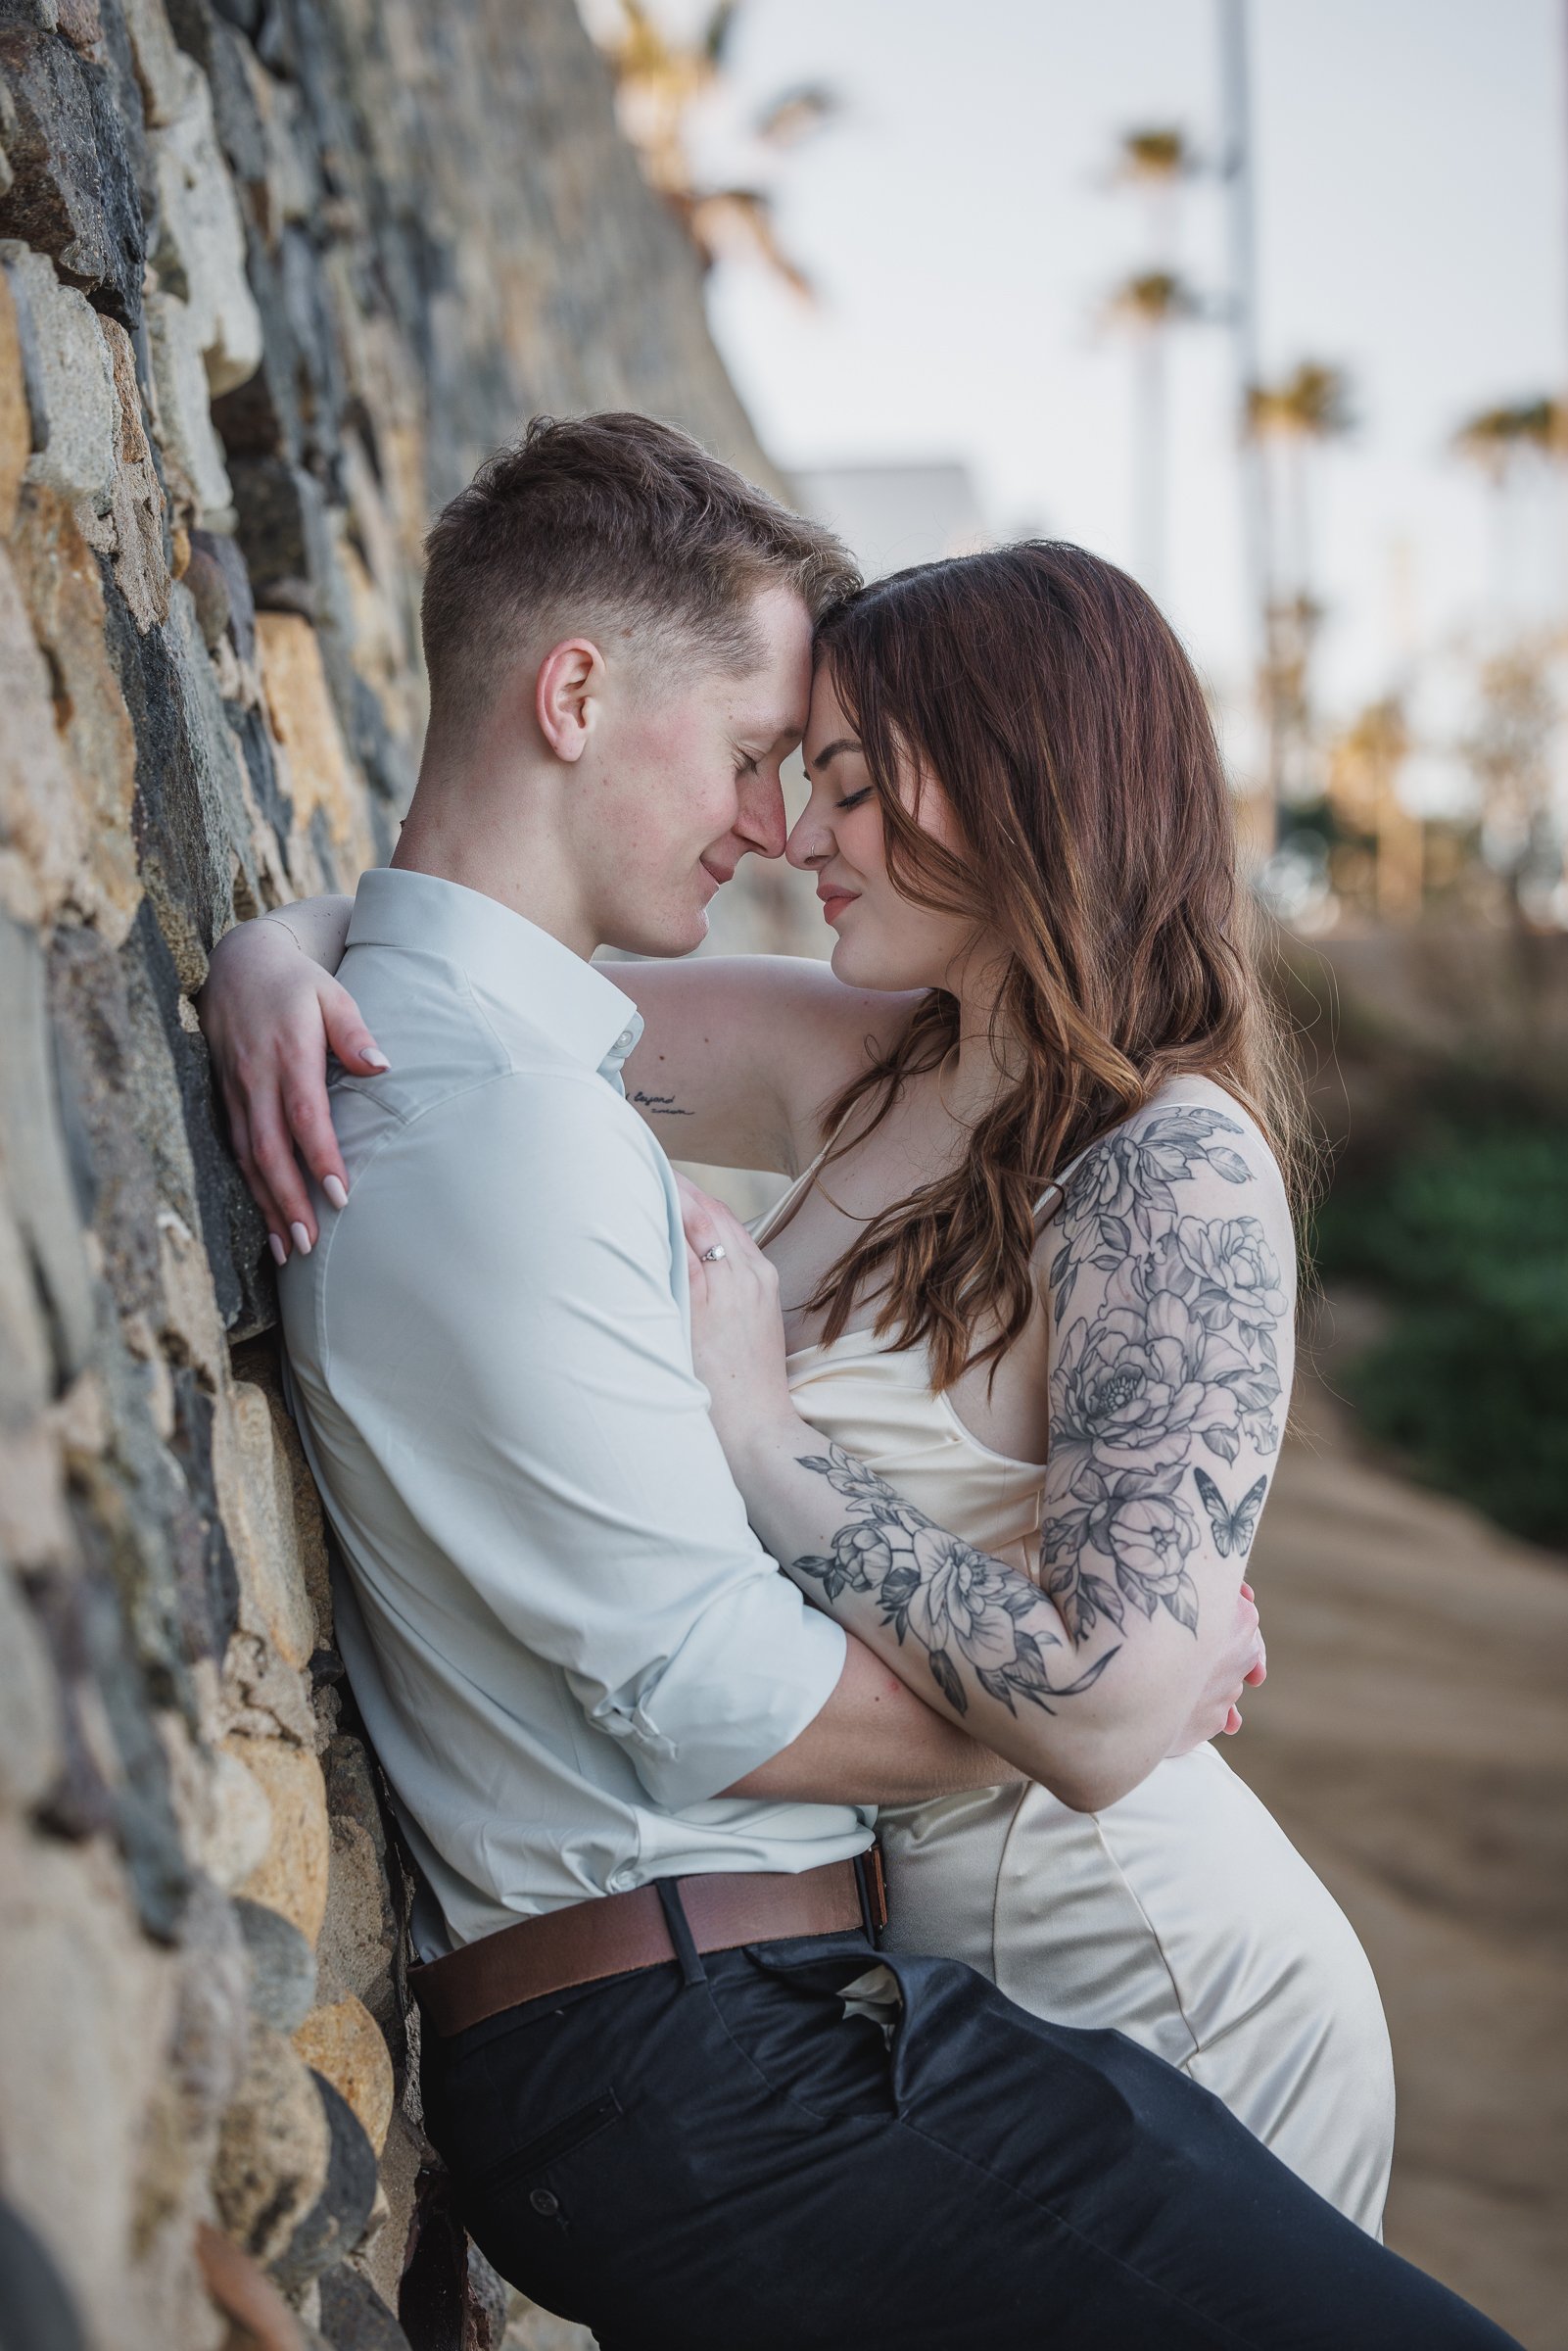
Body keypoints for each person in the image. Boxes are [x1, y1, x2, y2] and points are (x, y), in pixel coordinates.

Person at [200, 411, 1517, 2349]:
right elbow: (475, 983)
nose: (799, 834)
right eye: (791, 774)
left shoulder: (1170, 1168)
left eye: (849, 783)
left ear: (1020, 788)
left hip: (1145, 1963)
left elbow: (1110, 1708)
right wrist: (258, 952)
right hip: (898, 1978)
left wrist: (764, 1442)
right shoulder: (864, 1057)